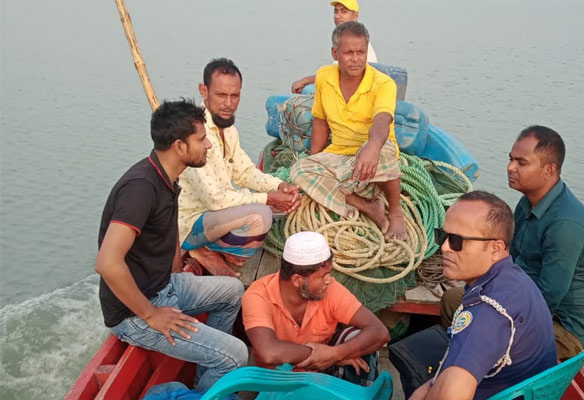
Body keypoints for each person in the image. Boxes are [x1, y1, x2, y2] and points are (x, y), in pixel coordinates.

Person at [95, 100, 248, 392]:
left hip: (164, 285)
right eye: (202, 139)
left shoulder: (167, 177)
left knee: (232, 291)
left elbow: (164, 231)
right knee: (236, 355)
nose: (209, 146)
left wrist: (177, 267)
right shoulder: (140, 189)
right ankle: (217, 372)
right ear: (179, 146)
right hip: (136, 312)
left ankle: (206, 384)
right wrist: (152, 315)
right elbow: (107, 262)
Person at [441, 126, 584, 359]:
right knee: (452, 301)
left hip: (560, 327)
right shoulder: (528, 203)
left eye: (521, 163)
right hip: (522, 296)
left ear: (549, 170)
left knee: (483, 328)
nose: (510, 168)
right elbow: (508, 259)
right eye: (510, 159)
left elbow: (548, 297)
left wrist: (492, 315)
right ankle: (459, 361)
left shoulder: (566, 224)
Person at [410, 191, 558, 400]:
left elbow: (453, 395)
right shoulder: (511, 279)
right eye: (442, 236)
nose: (444, 248)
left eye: (456, 241)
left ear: (496, 248)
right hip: (511, 386)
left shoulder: (489, 310)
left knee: (410, 359)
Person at [178, 58, 301, 276]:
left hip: (215, 215)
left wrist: (279, 185)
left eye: (234, 96)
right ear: (203, 91)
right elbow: (214, 199)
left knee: (277, 208)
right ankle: (200, 249)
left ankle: (216, 250)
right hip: (190, 221)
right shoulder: (193, 132)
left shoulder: (227, 126)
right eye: (221, 95)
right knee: (261, 216)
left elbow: (245, 172)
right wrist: (268, 198)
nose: (228, 103)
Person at [290, 22, 407, 240]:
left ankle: (396, 212)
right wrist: (317, 160)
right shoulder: (324, 77)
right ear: (335, 53)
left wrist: (372, 147)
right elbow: (320, 122)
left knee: (384, 150)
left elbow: (382, 121)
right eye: (349, 53)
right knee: (299, 171)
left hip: (374, 156)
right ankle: (367, 207)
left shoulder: (383, 84)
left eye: (361, 52)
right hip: (340, 155)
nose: (355, 58)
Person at [242, 231, 390, 386]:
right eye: (323, 276)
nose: (329, 280)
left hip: (322, 372)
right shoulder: (258, 295)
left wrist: (336, 353)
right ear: (297, 280)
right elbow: (269, 352)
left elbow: (380, 332)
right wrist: (322, 355)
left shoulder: (330, 289)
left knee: (357, 338)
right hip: (278, 380)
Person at [291, 0, 378, 94]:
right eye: (336, 11)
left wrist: (306, 80)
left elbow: (350, 78)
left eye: (344, 12)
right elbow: (335, 73)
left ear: (355, 15)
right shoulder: (341, 41)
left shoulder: (358, 45)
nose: (337, 16)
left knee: (309, 90)